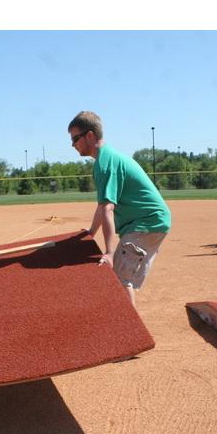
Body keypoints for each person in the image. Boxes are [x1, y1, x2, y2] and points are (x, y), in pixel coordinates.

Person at [68, 111, 171, 306]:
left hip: (146, 222)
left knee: (120, 280)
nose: (73, 144)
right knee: (124, 279)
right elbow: (102, 206)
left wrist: (109, 252)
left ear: (90, 135)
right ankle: (128, 329)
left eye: (75, 138)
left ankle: (129, 333)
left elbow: (108, 208)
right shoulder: (106, 159)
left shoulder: (105, 164)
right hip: (152, 221)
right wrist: (91, 232)